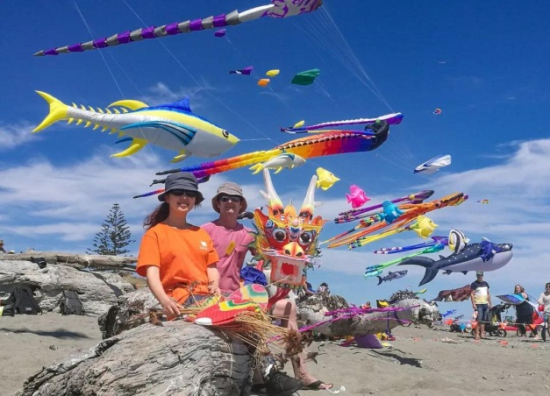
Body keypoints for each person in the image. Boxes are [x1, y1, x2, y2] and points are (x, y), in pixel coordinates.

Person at [202, 181, 332, 392]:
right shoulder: (205, 230)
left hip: (238, 294)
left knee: (288, 308)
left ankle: (302, 372)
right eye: (224, 198)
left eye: (234, 199)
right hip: (213, 296)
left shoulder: (247, 235)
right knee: (256, 315)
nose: (229, 202)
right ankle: (259, 376)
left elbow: (270, 253)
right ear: (218, 203)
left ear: (241, 204)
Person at [136, 172, 220, 318]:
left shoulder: (201, 233)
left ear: (195, 200)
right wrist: (165, 301)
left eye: (190, 193)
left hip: (208, 298)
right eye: (177, 192)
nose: (184, 197)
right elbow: (152, 275)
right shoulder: (154, 234)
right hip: (180, 302)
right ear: (167, 198)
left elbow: (211, 267)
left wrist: (215, 285)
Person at [470, 271, 492, 340]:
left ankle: (482, 333)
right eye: (478, 275)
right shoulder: (474, 284)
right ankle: (477, 334)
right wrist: (473, 303)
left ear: (482, 276)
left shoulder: (486, 284)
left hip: (485, 303)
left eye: (481, 275)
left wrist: (490, 303)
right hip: (478, 303)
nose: (479, 277)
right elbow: (472, 294)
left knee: (483, 320)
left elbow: (488, 294)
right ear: (476, 276)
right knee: (478, 319)